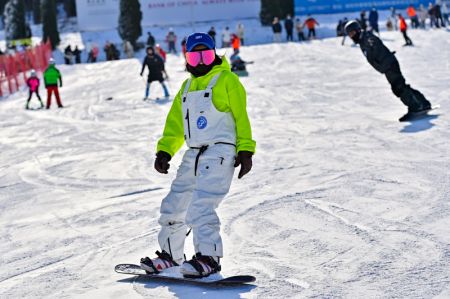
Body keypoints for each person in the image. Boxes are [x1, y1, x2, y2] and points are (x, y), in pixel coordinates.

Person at [139, 32, 255, 278]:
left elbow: (241, 117)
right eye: (195, 55)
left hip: (220, 151)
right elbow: (176, 124)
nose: (201, 61)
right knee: (174, 204)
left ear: (214, 54)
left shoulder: (227, 80)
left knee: (201, 204)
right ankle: (171, 255)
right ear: (187, 58)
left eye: (206, 54)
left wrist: (245, 150)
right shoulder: (187, 86)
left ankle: (209, 257)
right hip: (194, 154)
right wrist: (165, 150)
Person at [344, 21, 432, 120]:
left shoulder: (367, 37)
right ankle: (423, 103)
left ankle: (415, 107)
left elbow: (375, 43)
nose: (351, 36)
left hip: (389, 65)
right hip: (387, 66)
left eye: (352, 33)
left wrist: (372, 43)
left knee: (399, 88)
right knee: (401, 86)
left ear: (358, 30)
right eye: (349, 34)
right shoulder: (362, 40)